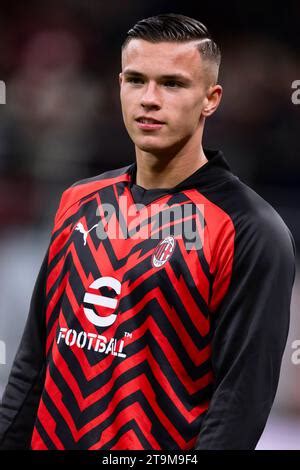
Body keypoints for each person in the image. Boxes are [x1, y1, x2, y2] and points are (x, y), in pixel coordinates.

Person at [0, 13, 296, 450]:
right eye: (136, 80)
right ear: (119, 84)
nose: (149, 99)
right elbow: (33, 363)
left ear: (211, 98)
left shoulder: (250, 228)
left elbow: (239, 404)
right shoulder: (79, 201)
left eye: (172, 84)